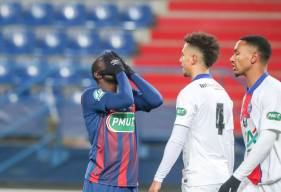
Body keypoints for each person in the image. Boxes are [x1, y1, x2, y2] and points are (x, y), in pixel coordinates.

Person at [148, 32, 235, 192]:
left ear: (193, 58)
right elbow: (229, 142)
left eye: (182, 55)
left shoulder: (190, 92)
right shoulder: (224, 94)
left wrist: (158, 178)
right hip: (223, 178)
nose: (180, 60)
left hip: (199, 181)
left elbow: (177, 139)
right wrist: (228, 177)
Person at [81, 51, 163, 192]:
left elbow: (156, 100)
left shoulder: (126, 95)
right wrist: (119, 71)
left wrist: (130, 72)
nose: (113, 65)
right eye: (108, 64)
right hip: (100, 182)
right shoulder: (91, 95)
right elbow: (125, 100)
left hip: (129, 183)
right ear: (97, 74)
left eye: (114, 63)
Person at [218, 36, 281, 192]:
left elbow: (267, 139)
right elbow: (252, 144)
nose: (232, 59)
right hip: (253, 182)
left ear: (253, 58)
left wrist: (236, 177)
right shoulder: (250, 94)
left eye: (237, 53)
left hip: (273, 184)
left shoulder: (273, 90)